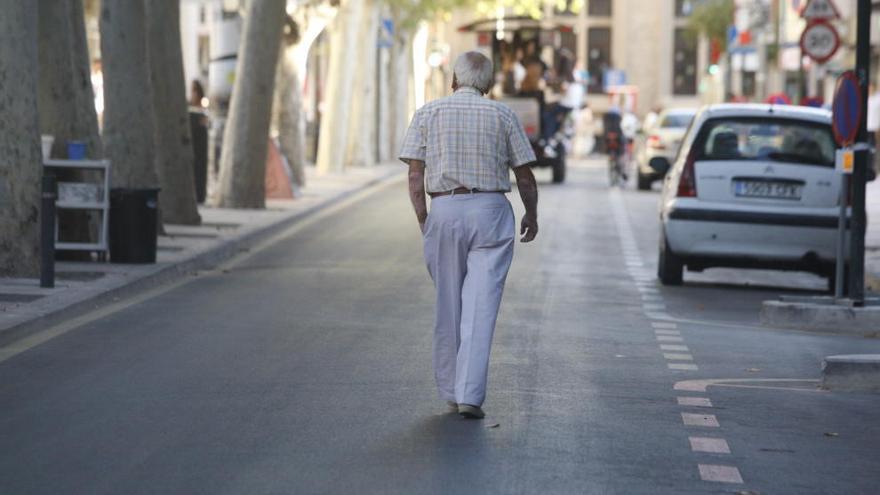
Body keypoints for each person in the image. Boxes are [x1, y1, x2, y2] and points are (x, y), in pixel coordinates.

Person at [399, 51, 539, 420]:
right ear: (489, 85)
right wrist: (532, 214)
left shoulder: (428, 113)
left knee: (448, 304)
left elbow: (415, 174)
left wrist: (423, 218)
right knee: (482, 305)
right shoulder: (504, 114)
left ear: (453, 81)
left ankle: (449, 389)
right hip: (491, 212)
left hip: (445, 209)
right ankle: (469, 396)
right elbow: (524, 174)